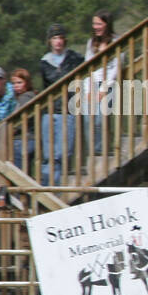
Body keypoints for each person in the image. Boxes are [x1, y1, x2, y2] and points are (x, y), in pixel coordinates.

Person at [39, 24, 84, 184]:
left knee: (63, 153)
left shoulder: (75, 59)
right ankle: (47, 189)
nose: (57, 41)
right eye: (54, 38)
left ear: (65, 40)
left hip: (68, 111)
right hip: (50, 111)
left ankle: (59, 188)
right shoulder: (44, 62)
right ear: (49, 41)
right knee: (48, 156)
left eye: (60, 38)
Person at [83, 10, 118, 156]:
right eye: (94, 24)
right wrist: (88, 89)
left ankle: (101, 150)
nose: (95, 26)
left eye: (99, 23)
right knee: (87, 120)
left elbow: (116, 68)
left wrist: (104, 89)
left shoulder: (116, 41)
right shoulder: (91, 43)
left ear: (107, 24)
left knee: (99, 120)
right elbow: (87, 66)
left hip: (108, 84)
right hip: (91, 84)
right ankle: (93, 151)